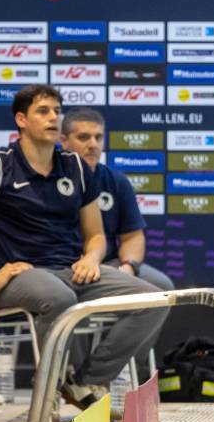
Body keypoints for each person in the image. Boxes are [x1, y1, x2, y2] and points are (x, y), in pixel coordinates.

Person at [0, 84, 168, 410]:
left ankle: (84, 381)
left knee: (153, 300)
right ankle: (50, 388)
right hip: (22, 276)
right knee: (59, 298)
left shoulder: (73, 167)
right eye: (43, 111)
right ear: (21, 119)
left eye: (57, 111)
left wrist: (91, 257)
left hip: (71, 271)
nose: (53, 117)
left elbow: (96, 235)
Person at [59, 108, 174, 293]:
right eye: (83, 137)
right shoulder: (52, 177)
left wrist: (127, 268)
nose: (93, 145)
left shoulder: (116, 180)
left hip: (109, 263)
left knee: (162, 287)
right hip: (64, 264)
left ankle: (123, 322)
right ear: (63, 141)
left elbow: (133, 237)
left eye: (98, 137)